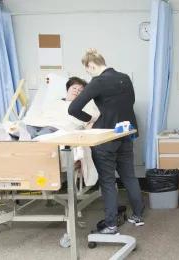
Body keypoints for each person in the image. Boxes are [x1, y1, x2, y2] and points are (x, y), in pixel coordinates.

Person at [68, 48, 144, 234]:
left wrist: (90, 119)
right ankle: (138, 216)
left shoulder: (98, 81)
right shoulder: (125, 77)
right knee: (129, 176)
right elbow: (130, 102)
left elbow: (73, 108)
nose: (89, 74)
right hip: (125, 133)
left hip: (106, 137)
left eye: (88, 71)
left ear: (91, 65)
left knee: (108, 181)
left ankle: (110, 225)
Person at [22, 77, 99, 138]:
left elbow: (90, 119)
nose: (76, 91)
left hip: (56, 128)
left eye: (80, 90)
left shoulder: (83, 106)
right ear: (68, 89)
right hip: (39, 124)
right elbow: (43, 113)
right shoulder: (55, 102)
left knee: (43, 135)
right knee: (24, 128)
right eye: (74, 88)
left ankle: (32, 142)